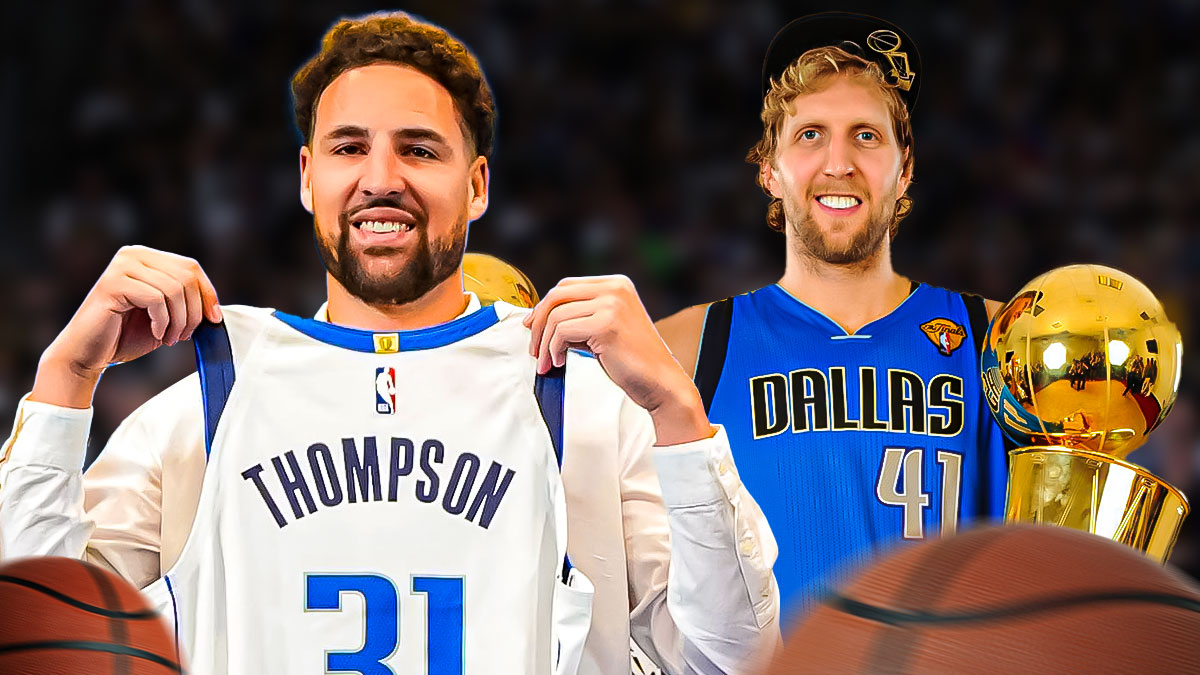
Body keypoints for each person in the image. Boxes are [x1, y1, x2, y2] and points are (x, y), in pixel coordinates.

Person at [0, 13, 778, 674]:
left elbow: (737, 657)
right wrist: (66, 379)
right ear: (308, 177)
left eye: (418, 148)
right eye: (348, 148)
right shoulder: (204, 408)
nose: (381, 176)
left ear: (476, 184)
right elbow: (36, 644)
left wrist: (679, 410)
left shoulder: (589, 407)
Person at [655, 11, 1007, 624]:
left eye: (866, 136)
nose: (839, 163)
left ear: (906, 169)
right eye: (811, 134)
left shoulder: (1000, 337)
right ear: (769, 169)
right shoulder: (686, 347)